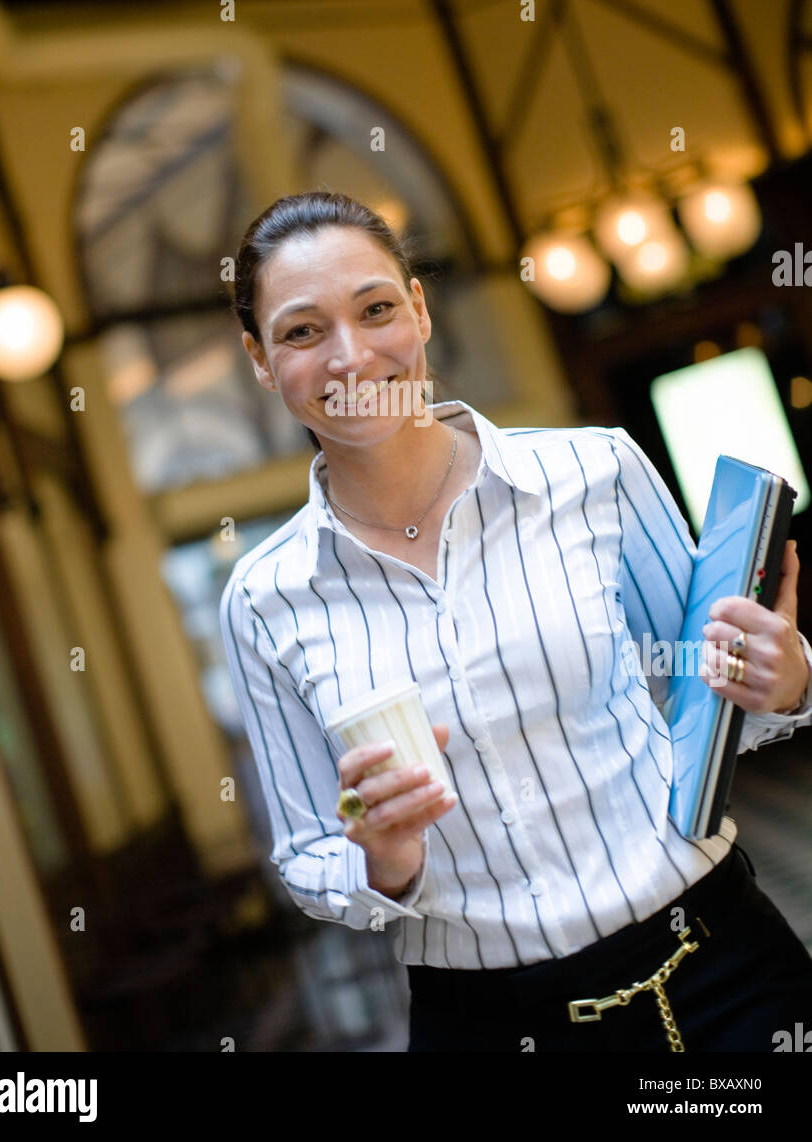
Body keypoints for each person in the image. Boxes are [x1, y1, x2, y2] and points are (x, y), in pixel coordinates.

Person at [219, 190, 812, 1053]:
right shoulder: (265, 598)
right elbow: (310, 851)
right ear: (262, 362)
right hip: (488, 1025)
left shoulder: (595, 468)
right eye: (303, 332)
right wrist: (383, 860)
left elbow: (706, 702)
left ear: (418, 310)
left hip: (720, 971)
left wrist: (783, 682)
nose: (351, 355)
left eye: (376, 309)